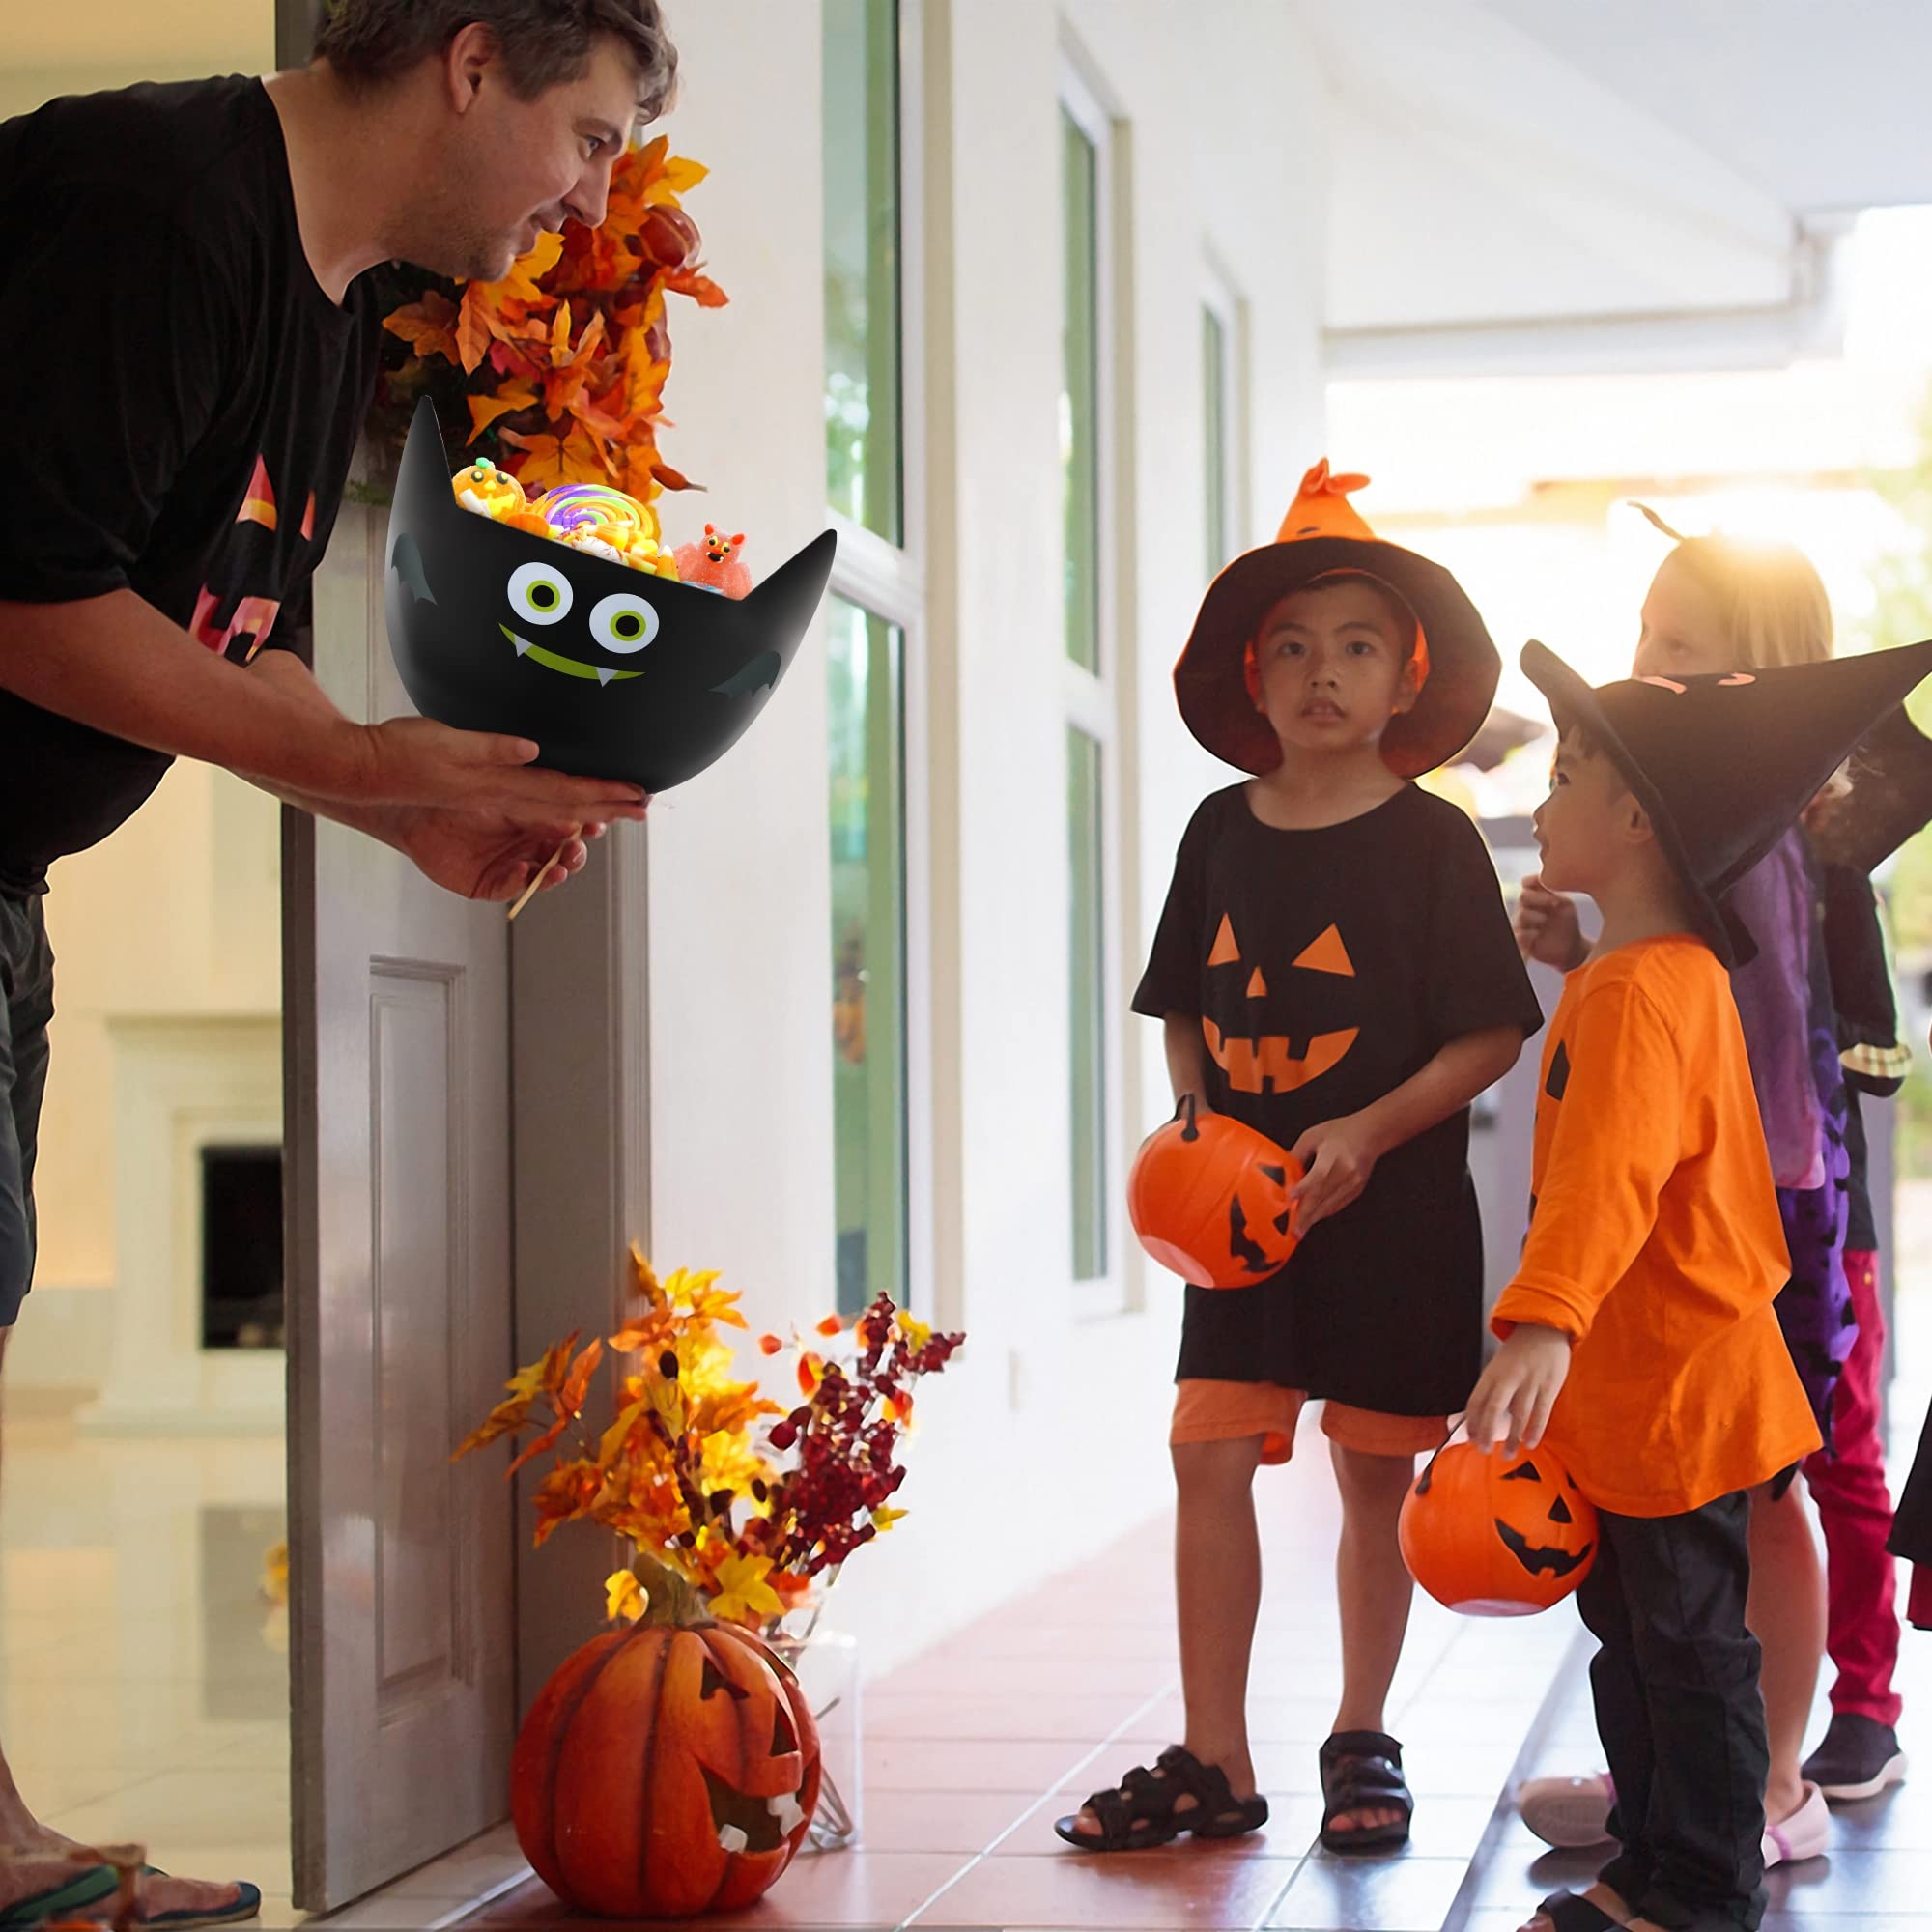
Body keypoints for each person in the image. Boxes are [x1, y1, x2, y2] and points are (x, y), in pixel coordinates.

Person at [0, 3, 677, 1923]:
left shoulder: (323, 299)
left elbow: (237, 633)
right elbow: (29, 592)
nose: (590, 193)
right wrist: (353, 763)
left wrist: (398, 805)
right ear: (472, 62)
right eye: (587, 132)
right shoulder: (160, 205)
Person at [1055, 463, 1542, 1856]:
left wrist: (1367, 1129)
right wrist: (1199, 1123)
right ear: (1250, 682)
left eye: (1357, 647)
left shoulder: (1437, 843)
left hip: (1396, 1223)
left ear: (1406, 685)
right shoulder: (1219, 834)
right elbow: (1190, 1013)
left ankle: (1362, 1732)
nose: (1321, 672)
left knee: (1375, 1477)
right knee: (1208, 1460)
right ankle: (1215, 1756)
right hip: (1238, 1225)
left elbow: (1490, 1034)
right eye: (1291, 648)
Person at [1469, 636, 1932, 1932]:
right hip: (1664, 1387)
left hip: (1668, 1390)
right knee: (1642, 1635)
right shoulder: (1659, 976)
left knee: (1682, 1648)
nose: (1544, 801)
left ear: (1632, 819)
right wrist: (1580, 960)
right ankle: (1657, 1862)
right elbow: (1642, 1129)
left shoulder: (1635, 996)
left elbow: (1611, 1175)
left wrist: (1544, 1320)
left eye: (1567, 777)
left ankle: (1704, 1887)